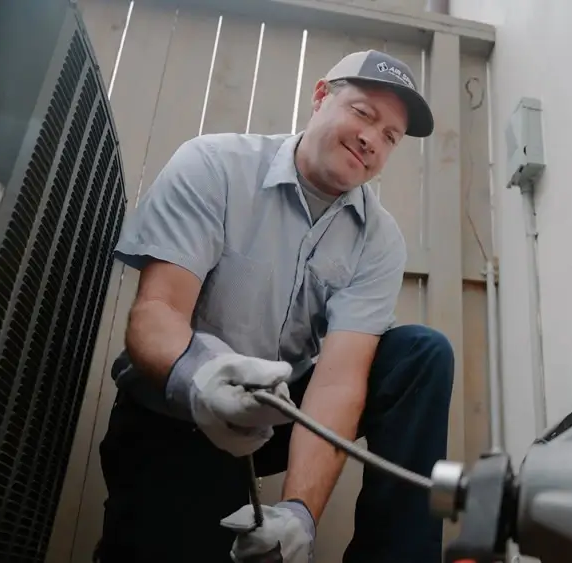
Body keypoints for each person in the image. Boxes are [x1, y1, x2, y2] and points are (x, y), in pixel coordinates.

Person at [94, 50, 454, 563]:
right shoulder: (214, 165)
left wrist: (301, 512)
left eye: (391, 137)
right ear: (321, 97)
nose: (372, 139)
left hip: (280, 412)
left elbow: (338, 380)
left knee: (420, 353)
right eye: (363, 113)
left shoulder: (379, 240)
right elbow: (157, 312)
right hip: (178, 411)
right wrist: (204, 377)